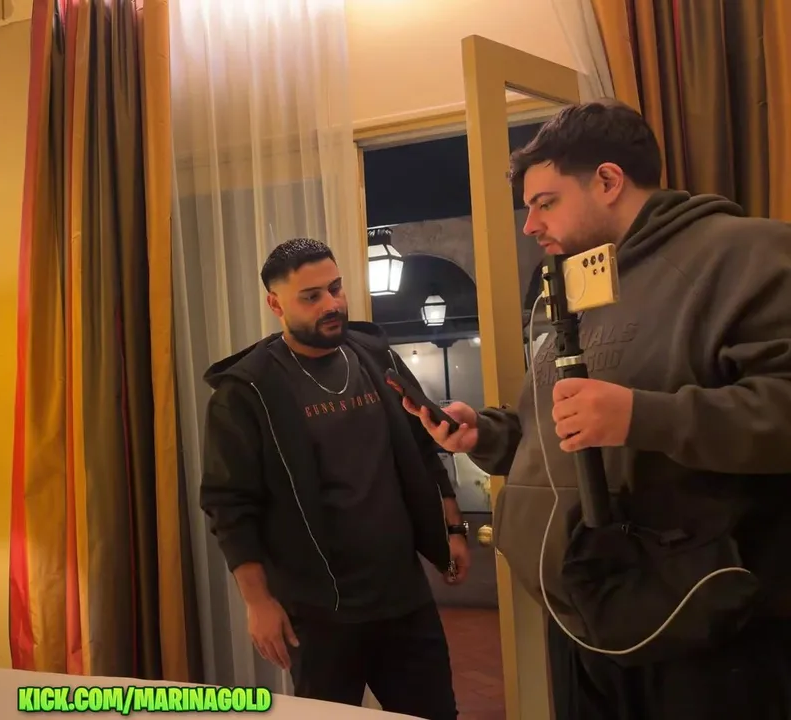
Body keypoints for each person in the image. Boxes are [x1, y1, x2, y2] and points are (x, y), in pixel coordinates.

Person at [405, 99, 791, 720]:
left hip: (702, 627)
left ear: (609, 180)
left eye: (545, 203)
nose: (530, 226)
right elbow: (564, 428)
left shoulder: (746, 254)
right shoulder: (577, 284)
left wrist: (643, 416)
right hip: (584, 613)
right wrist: (487, 434)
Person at [197, 237, 470, 719]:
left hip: (404, 599)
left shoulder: (376, 356)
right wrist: (258, 602)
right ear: (276, 304)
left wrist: (452, 528)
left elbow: (422, 445)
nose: (332, 304)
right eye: (312, 296)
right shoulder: (247, 390)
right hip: (318, 612)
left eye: (336, 288)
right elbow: (230, 505)